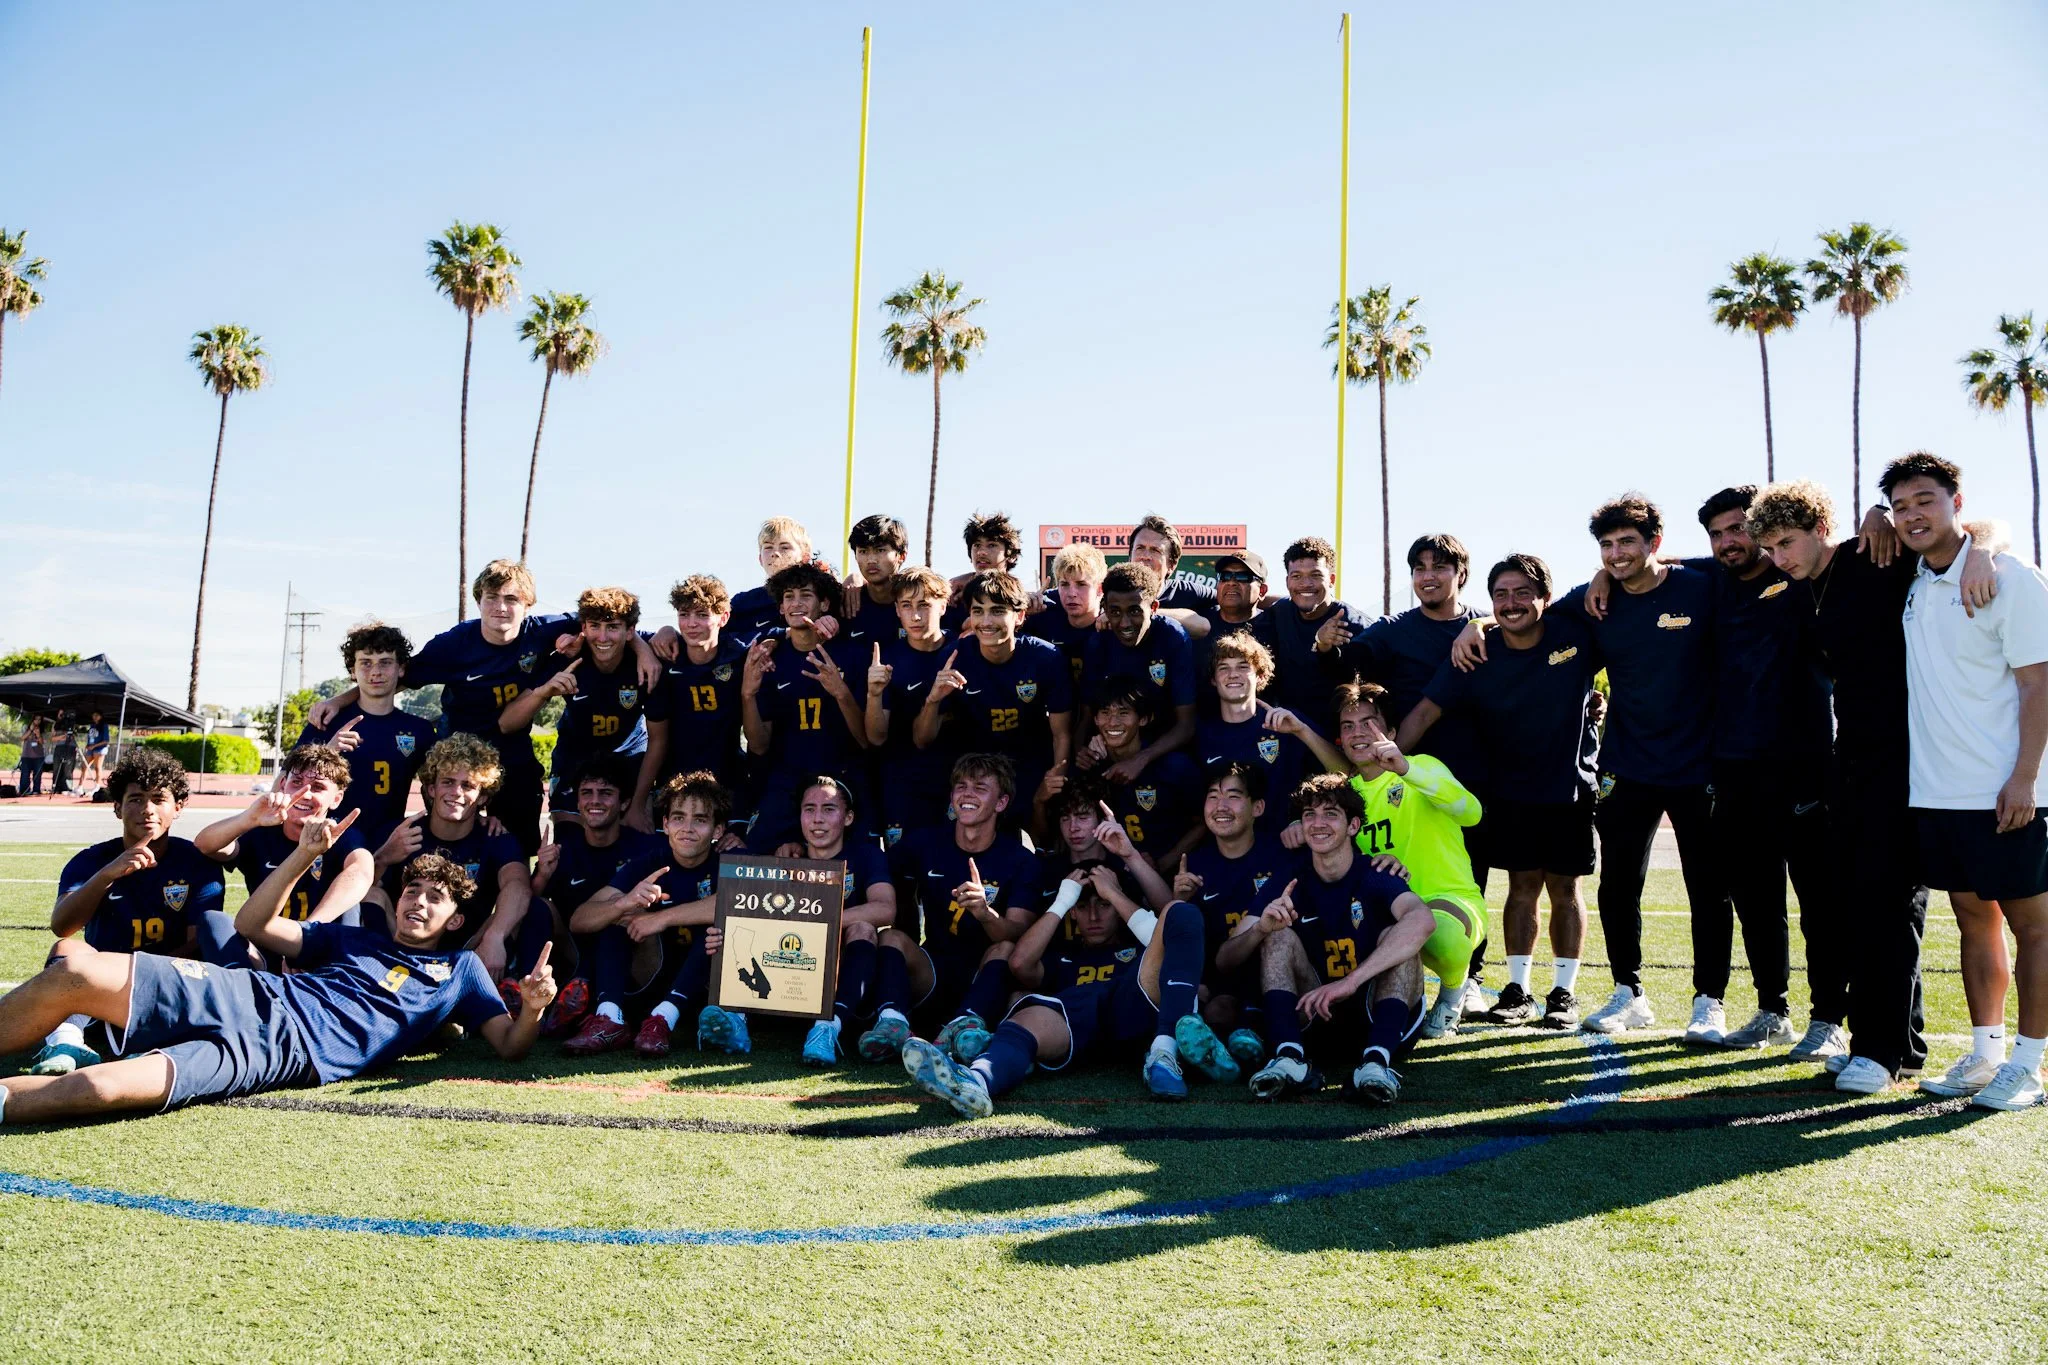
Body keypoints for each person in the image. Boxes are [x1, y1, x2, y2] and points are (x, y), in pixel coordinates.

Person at [0, 825, 554, 1127]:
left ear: (455, 918)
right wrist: (303, 857)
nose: (418, 902)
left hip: (279, 1059)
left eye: (435, 898)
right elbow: (253, 923)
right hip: (249, 995)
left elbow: (509, 1046)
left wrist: (531, 1009)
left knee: (102, 1088)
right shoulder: (354, 937)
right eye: (412, 890)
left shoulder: (460, 970)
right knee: (74, 967)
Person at [1747, 478, 1998, 1093]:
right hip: (1852, 760)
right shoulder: (1798, 592)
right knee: (1865, 904)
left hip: (1912, 757)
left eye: (1787, 541)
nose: (1780, 557)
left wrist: (1985, 549)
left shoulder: (1875, 555)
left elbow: (1964, 537)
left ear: (1818, 528)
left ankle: (1880, 1053)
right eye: (1771, 548)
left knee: (1886, 904)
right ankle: (1896, 1046)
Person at [1459, 495, 1727, 1040]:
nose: (1616, 554)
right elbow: (1525, 611)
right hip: (1626, 765)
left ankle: (1709, 1000)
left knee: (1707, 887)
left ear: (1655, 542)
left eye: (1627, 542)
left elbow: (1729, 562)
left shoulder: (1701, 585)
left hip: (1699, 763)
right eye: (1606, 546)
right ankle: (1628, 991)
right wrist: (1478, 623)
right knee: (1618, 886)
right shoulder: (1591, 601)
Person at [1888, 451, 2048, 1111]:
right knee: (1971, 918)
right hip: (1937, 792)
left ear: (1957, 500)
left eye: (1925, 499)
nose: (1912, 515)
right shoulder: (1914, 581)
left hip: (2006, 790)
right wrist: (1880, 514)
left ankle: (2030, 1064)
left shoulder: (2010, 577)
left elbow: (2039, 682)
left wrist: (2023, 778)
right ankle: (1986, 1054)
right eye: (1900, 506)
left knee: (2034, 926)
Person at [306, 559, 659, 856]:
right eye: (492, 598)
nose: (501, 608)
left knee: (518, 849)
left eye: (511, 599)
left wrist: (644, 649)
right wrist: (340, 699)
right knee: (446, 845)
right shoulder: (453, 644)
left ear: (529, 605)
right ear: (479, 601)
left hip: (513, 751)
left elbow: (616, 623)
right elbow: (388, 676)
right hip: (459, 751)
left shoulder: (546, 630)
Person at [1403, 554, 1597, 1036]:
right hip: (1508, 789)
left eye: (1522, 593)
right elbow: (1427, 711)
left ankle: (1563, 992)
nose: (1511, 604)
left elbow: (1610, 580)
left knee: (1566, 890)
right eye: (1501, 595)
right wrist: (1381, 757)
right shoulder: (1475, 650)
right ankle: (1517, 990)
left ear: (1545, 599)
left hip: (1569, 787)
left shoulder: (1573, 631)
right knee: (1522, 888)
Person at [900, 877, 1236, 1114]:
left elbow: (1181, 936)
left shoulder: (1139, 947)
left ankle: (1165, 1055)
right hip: (1075, 1016)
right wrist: (1063, 901)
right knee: (1028, 1016)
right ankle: (975, 1082)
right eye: (1084, 906)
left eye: (1104, 905)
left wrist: (1114, 892)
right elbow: (1019, 962)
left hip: (1136, 1000)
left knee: (1181, 911)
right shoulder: (1063, 952)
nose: (1093, 916)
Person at [1218, 774, 1434, 1103]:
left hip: (1377, 1015)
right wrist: (1262, 928)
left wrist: (1350, 981)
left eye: (1330, 814)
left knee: (1399, 937)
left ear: (1353, 826)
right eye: (1309, 815)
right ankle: (1289, 1058)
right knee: (1277, 936)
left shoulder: (1375, 874)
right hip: (1315, 1016)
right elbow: (1225, 959)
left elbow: (1423, 920)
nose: (1318, 824)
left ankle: (1376, 1063)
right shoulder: (1290, 878)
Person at [26, 749, 233, 1076]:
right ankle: (66, 1042)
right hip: (106, 979)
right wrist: (108, 875)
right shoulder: (93, 860)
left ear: (178, 807)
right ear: (118, 807)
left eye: (159, 798)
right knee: (67, 950)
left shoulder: (197, 862)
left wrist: (143, 972)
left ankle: (175, 1036)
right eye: (136, 799)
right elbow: (62, 926)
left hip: (172, 977)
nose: (147, 809)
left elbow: (199, 939)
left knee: (221, 947)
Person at [1329, 682, 1495, 1032]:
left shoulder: (1421, 767)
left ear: (1390, 732)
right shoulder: (1343, 796)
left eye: (1368, 723)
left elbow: (1473, 813)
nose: (1358, 733)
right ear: (1339, 740)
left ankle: (1454, 992)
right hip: (1382, 911)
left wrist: (1405, 768)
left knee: (1440, 935)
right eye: (1348, 726)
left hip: (1449, 903)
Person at [858, 754, 1042, 1063]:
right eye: (961, 786)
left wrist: (986, 913)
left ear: (1001, 803)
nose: (967, 794)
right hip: (932, 970)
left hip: (984, 976)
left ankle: (965, 1027)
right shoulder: (926, 842)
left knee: (1006, 947)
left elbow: (1020, 931)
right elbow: (873, 866)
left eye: (980, 788)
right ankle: (893, 1025)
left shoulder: (1020, 860)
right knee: (891, 937)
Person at [562, 770, 732, 1057]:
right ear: (665, 824)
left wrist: (661, 917)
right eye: (678, 817)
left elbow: (731, 904)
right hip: (652, 975)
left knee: (715, 930)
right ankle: (610, 1018)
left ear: (717, 830)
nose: (687, 828)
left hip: (704, 988)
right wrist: (623, 903)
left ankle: (665, 1018)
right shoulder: (650, 863)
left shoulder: (726, 865)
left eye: (700, 820)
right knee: (618, 919)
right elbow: (579, 920)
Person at [374, 734, 547, 996]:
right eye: (448, 782)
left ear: (482, 797)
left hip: (469, 950)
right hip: (405, 946)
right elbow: (361, 889)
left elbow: (518, 886)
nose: (456, 793)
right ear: (432, 789)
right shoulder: (401, 833)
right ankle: (369, 973)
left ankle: (519, 995)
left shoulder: (496, 838)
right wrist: (383, 857)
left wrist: (495, 936)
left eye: (468, 785)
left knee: (535, 907)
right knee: (370, 894)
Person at [502, 587, 668, 833]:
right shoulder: (567, 659)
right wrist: (543, 691)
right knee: (571, 843)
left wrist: (638, 803)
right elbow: (507, 723)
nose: (602, 637)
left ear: (630, 631)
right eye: (594, 626)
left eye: (612, 627)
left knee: (635, 842)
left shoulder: (648, 665)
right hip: (575, 760)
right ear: (583, 627)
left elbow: (659, 738)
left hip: (629, 757)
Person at [740, 561, 868, 851]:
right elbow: (759, 746)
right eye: (788, 596)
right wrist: (748, 695)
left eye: (805, 595)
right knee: (753, 854)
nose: (796, 604)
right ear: (781, 607)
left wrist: (841, 693)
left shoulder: (851, 654)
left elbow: (866, 739)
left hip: (842, 778)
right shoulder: (770, 658)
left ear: (824, 603)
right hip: (787, 781)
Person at [917, 570, 1072, 809]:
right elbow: (922, 741)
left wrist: (1053, 780)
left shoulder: (1046, 657)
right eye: (978, 611)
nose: (986, 621)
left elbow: (1061, 734)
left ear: (1019, 616)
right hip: (974, 774)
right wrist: (933, 700)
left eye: (997, 611)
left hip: (1029, 766)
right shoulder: (954, 656)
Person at [529, 755, 660, 1038]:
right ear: (577, 803)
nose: (595, 801)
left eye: (606, 793)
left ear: (624, 803)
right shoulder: (564, 851)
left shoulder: (648, 849)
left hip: (629, 955)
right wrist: (541, 875)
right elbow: (530, 906)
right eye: (586, 793)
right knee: (538, 907)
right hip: (571, 950)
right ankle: (525, 1000)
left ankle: (589, 999)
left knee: (619, 918)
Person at [1175, 760, 1292, 1066]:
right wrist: (1180, 901)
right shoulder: (1196, 866)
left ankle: (1260, 1037)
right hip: (1223, 979)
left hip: (1276, 978)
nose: (1220, 805)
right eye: (1213, 796)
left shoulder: (1282, 857)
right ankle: (1220, 1053)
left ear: (1258, 807)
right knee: (1217, 1010)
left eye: (1233, 796)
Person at [295, 621, 439, 854]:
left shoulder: (418, 729)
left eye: (385, 662)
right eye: (365, 663)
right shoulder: (327, 720)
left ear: (401, 668)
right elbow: (286, 784)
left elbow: (441, 786)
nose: (375, 672)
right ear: (353, 671)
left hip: (391, 838)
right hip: (330, 838)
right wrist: (328, 753)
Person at [196, 743, 374, 930]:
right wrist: (248, 818)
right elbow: (204, 845)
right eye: (296, 782)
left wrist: (308, 931)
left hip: (321, 940)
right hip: (265, 940)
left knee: (354, 904)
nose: (304, 794)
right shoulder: (261, 832)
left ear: (336, 799)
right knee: (214, 921)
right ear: (283, 785)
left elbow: (361, 871)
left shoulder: (338, 832)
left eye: (317, 787)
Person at [788, 775, 898, 1066]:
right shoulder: (788, 859)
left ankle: (828, 1027)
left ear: (848, 817)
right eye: (809, 809)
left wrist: (826, 922)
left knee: (863, 927)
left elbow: (886, 909)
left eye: (829, 809)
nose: (817, 820)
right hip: (793, 971)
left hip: (848, 971)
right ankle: (737, 1016)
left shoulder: (866, 855)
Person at [1194, 632, 1339, 838]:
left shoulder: (1287, 722)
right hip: (1229, 851)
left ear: (1260, 676)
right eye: (1223, 668)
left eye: (1243, 667)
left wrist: (1303, 731)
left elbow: (1343, 772)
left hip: (1286, 848)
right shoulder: (1202, 734)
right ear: (1213, 680)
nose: (1233, 674)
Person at [864, 566, 957, 845]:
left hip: (958, 780)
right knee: (903, 871)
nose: (915, 616)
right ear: (896, 610)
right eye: (906, 606)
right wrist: (873, 694)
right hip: (902, 781)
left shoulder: (967, 649)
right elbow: (876, 736)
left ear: (943, 606)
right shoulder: (888, 660)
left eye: (924, 605)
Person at [1253, 536, 1373, 734]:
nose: (1305, 584)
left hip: (1334, 739)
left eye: (1315, 575)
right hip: (1286, 732)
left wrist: (1323, 646)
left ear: (1332, 579)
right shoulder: (1280, 612)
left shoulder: (1356, 626)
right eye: (1297, 576)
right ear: (1287, 581)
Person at [1077, 676, 1202, 860]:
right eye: (1105, 712)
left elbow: (1202, 824)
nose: (1112, 722)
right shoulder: (1091, 766)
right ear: (1095, 719)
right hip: (1116, 874)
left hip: (1173, 873)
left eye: (1123, 712)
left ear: (1143, 719)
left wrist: (1164, 864)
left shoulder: (1175, 767)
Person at [657, 574, 750, 810]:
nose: (691, 623)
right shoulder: (667, 653)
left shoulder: (739, 655)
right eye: (683, 615)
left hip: (728, 780)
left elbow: (781, 635)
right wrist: (659, 633)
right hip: (674, 781)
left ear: (723, 617)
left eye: (702, 615)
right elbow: (631, 638)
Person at [1023, 540, 1107, 687]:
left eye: (1081, 584)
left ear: (1100, 589)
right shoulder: (1042, 609)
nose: (1071, 594)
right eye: (1064, 584)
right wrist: (1021, 613)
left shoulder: (1115, 615)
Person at [729, 516, 819, 647]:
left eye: (785, 547)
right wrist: (775, 634)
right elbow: (721, 639)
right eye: (768, 547)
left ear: (805, 556)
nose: (775, 553)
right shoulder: (744, 603)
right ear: (760, 558)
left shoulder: (822, 596)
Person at [1126, 514, 1221, 621]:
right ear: (1130, 556)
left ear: (1172, 565)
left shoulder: (1188, 593)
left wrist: (1150, 612)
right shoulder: (1113, 593)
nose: (1145, 556)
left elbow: (1225, 600)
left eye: (1155, 550)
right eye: (1140, 548)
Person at [842, 514, 912, 652]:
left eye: (880, 550)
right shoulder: (846, 603)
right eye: (863, 551)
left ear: (901, 556)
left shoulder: (920, 603)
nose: (871, 560)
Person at [83, 711, 111, 793]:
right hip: (90, 748)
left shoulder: (104, 726)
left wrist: (94, 746)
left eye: (97, 715)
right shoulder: (92, 726)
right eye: (94, 715)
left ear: (101, 716)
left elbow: (106, 740)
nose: (95, 717)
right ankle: (80, 786)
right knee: (84, 766)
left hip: (99, 748)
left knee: (97, 767)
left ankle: (97, 786)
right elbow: (90, 737)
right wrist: (88, 745)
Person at [18, 719, 46, 796]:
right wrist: (30, 730)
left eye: (39, 720)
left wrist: (38, 734)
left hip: (38, 756)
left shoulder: (42, 730)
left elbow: (42, 742)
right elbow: (22, 738)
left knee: (37, 774)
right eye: (36, 719)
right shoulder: (26, 728)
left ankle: (36, 790)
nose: (37, 721)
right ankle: (24, 790)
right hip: (26, 755)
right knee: (25, 774)